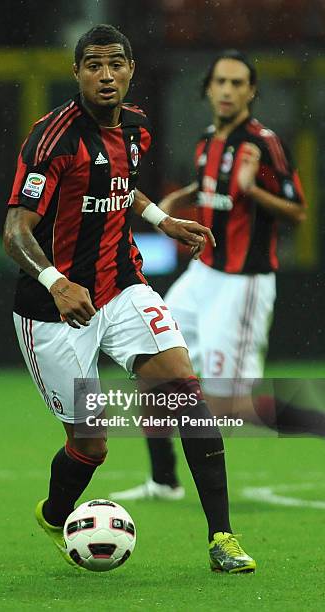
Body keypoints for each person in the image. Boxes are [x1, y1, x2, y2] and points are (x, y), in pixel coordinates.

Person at [3, 27, 256, 573]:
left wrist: (162, 220)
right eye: (93, 65)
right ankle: (54, 513)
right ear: (77, 74)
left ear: (131, 68)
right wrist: (55, 281)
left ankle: (223, 538)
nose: (106, 75)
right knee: (91, 447)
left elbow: (124, 184)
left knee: (185, 395)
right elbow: (15, 232)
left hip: (120, 288)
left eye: (115, 64)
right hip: (54, 307)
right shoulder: (53, 140)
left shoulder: (136, 127)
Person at [110, 49, 325, 503]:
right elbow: (210, 187)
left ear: (251, 91)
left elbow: (300, 212)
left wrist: (253, 190)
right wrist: (178, 199)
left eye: (237, 83)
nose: (227, 90)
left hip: (242, 283)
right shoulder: (207, 139)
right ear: (208, 88)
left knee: (233, 405)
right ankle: (164, 481)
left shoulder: (263, 143)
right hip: (201, 274)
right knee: (153, 365)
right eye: (220, 82)